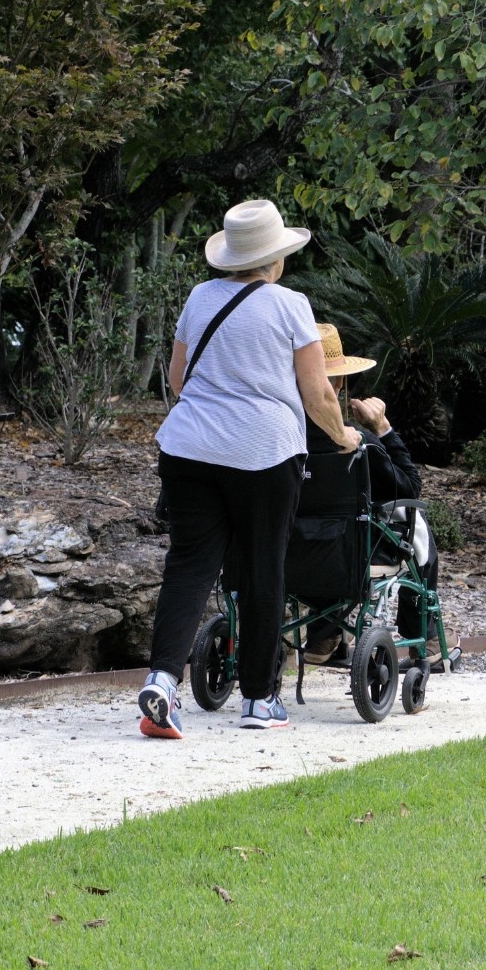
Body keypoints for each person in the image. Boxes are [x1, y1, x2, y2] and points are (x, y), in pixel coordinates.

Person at [138, 200, 358, 739]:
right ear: (275, 259)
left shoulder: (199, 296)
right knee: (265, 569)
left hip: (189, 448)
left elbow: (177, 379)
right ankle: (260, 700)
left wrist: (216, 409)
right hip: (264, 454)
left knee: (189, 565)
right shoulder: (291, 305)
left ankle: (163, 682)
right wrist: (344, 435)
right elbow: (315, 391)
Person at [299, 324, 448, 665]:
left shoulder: (273, 438)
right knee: (414, 526)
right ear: (338, 383)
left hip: (289, 551)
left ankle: (324, 636)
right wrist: (384, 428)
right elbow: (409, 487)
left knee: (317, 526)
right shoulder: (356, 443)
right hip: (352, 553)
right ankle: (425, 638)